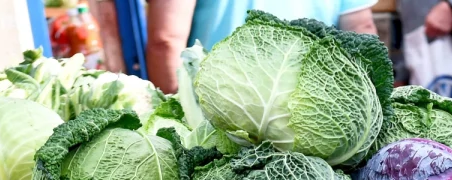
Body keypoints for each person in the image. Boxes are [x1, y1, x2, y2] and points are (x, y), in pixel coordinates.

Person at [145, 0, 378, 93]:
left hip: (217, 106)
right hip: (314, 105)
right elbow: (361, 28)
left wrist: (183, 113)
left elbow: (166, 41)